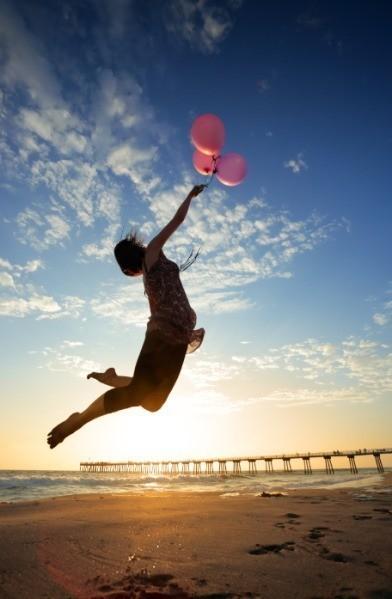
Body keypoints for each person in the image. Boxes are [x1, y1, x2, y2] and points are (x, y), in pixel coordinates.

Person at [47, 184, 206, 449]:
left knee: (152, 401)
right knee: (141, 394)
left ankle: (111, 379)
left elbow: (177, 220)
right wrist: (189, 195)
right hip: (162, 335)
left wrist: (190, 196)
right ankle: (79, 420)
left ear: (129, 265)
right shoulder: (151, 262)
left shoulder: (156, 252)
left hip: (178, 336)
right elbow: (177, 219)